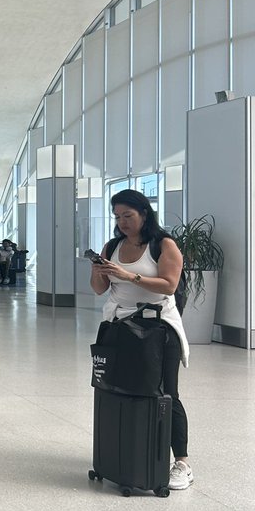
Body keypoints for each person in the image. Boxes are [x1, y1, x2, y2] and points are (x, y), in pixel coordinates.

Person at [90, 189, 192, 490]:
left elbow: (169, 285)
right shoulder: (113, 246)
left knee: (165, 391)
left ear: (144, 214)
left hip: (158, 329)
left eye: (128, 216)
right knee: (117, 386)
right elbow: (98, 288)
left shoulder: (163, 245)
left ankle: (182, 462)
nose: (122, 222)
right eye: (117, 217)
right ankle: (124, 452)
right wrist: (99, 270)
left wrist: (128, 275)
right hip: (119, 326)